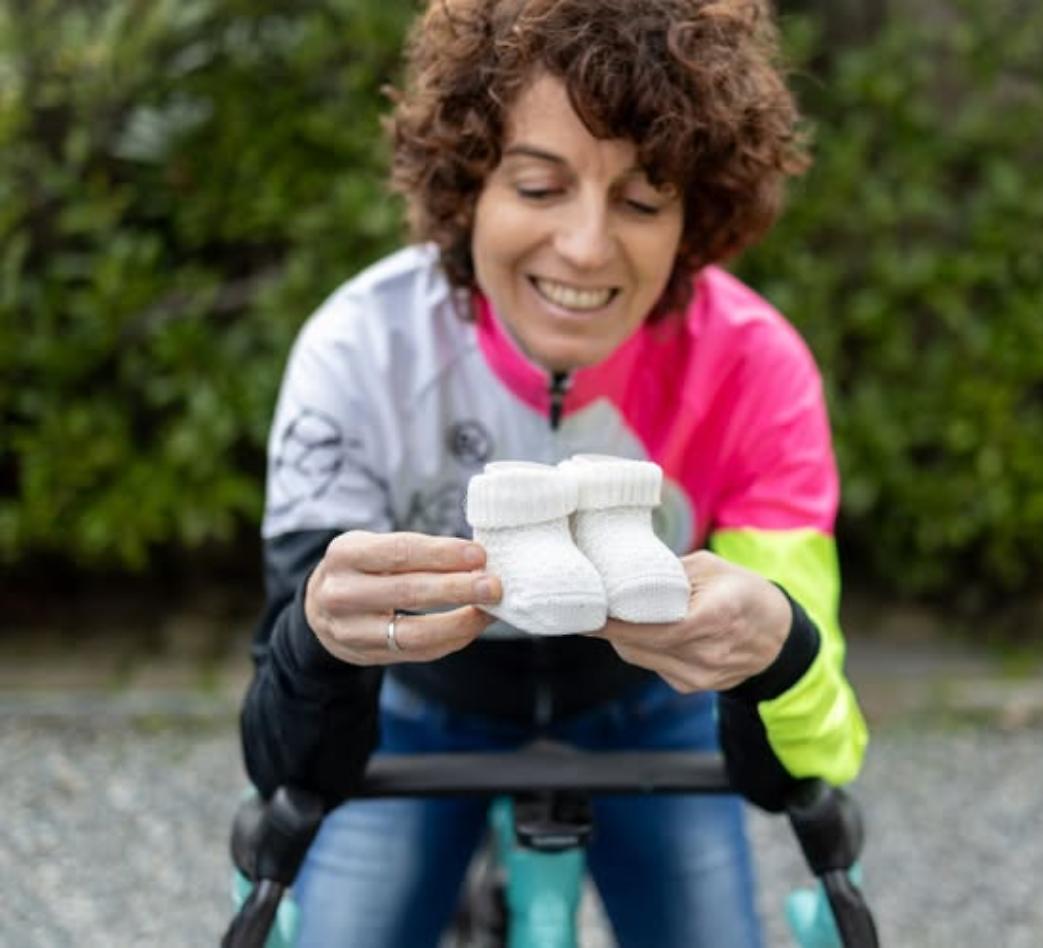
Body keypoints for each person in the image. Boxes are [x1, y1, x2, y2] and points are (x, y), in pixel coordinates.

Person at [240, 1, 869, 945]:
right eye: (538, 187)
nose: (584, 246)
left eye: (643, 201)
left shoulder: (754, 371)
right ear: (469, 188)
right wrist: (316, 641)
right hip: (419, 705)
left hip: (649, 703)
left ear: (693, 218)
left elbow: (810, 759)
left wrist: (778, 649)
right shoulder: (359, 352)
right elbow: (282, 759)